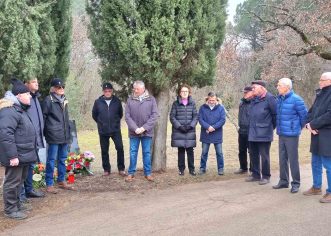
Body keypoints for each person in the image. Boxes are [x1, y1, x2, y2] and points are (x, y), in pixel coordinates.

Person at [0, 79, 37, 220]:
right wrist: (12, 156)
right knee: (12, 182)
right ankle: (10, 210)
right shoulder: (9, 111)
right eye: (27, 94)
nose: (30, 96)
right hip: (16, 155)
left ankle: (17, 205)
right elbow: (5, 134)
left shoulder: (19, 109)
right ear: (18, 95)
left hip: (24, 154)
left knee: (19, 181)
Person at [273, 78, 307, 193]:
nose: (277, 87)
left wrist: (296, 128)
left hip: (292, 135)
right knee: (282, 158)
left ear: (287, 87)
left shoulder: (297, 100)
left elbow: (304, 117)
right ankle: (283, 181)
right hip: (281, 133)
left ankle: (296, 183)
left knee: (293, 159)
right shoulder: (279, 99)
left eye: (279, 85)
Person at [42, 78, 73, 193]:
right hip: (53, 135)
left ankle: (61, 180)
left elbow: (66, 118)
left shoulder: (64, 99)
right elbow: (43, 118)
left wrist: (68, 131)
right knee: (51, 160)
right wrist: (46, 132)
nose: (61, 89)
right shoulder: (48, 100)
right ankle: (49, 183)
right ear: (53, 89)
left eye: (62, 87)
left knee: (63, 159)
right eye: (59, 87)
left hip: (64, 135)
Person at [303, 72, 331, 203]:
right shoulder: (320, 94)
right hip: (315, 133)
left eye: (323, 79)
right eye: (320, 79)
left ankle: (330, 192)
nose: (320, 81)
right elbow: (311, 111)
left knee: (328, 164)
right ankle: (316, 186)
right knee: (315, 162)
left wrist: (313, 124)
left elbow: (329, 115)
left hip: (327, 134)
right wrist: (308, 124)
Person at [125, 81, 159, 182]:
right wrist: (135, 128)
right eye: (134, 89)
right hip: (133, 132)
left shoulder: (151, 99)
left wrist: (143, 128)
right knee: (133, 153)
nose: (135, 90)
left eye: (137, 89)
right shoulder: (130, 100)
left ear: (143, 89)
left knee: (146, 152)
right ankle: (131, 173)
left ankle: (148, 173)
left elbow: (154, 115)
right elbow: (127, 116)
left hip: (146, 132)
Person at [19, 78, 45, 202]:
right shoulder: (23, 100)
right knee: (23, 167)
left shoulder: (35, 98)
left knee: (31, 165)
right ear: (26, 84)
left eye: (37, 81)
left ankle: (29, 190)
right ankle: (22, 193)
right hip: (27, 139)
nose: (37, 83)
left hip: (36, 138)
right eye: (34, 82)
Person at [246, 80, 277, 185]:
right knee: (253, 154)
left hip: (264, 132)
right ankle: (255, 174)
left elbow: (275, 116)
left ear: (262, 88)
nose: (252, 89)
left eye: (254, 87)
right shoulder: (254, 99)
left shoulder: (270, 98)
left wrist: (269, 127)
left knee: (264, 156)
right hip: (253, 132)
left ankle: (266, 176)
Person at [92, 82, 126, 177]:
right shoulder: (97, 102)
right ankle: (106, 169)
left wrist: (115, 123)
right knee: (104, 150)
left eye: (109, 91)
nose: (107, 92)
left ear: (112, 91)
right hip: (103, 131)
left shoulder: (117, 101)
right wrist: (101, 123)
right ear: (103, 91)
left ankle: (121, 169)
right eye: (105, 91)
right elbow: (94, 115)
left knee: (120, 148)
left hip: (115, 130)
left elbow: (120, 114)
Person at [170, 84, 198, 176]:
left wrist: (191, 126)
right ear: (179, 93)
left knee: (190, 151)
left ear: (189, 93)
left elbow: (195, 116)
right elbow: (172, 117)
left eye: (186, 91)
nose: (184, 93)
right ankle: (181, 169)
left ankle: (192, 169)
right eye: (182, 91)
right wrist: (179, 127)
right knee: (181, 150)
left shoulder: (193, 103)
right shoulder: (175, 104)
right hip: (179, 131)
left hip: (190, 130)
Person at [198, 92, 226, 175]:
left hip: (217, 134)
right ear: (208, 99)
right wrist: (207, 127)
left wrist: (213, 127)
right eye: (210, 100)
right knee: (204, 152)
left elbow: (222, 120)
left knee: (219, 153)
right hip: (205, 134)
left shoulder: (221, 108)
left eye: (213, 100)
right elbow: (200, 119)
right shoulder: (202, 108)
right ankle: (202, 168)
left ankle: (220, 168)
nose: (212, 102)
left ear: (216, 99)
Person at [235, 86, 254, 174]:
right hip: (241, 130)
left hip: (251, 131)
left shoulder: (254, 103)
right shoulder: (241, 102)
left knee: (252, 151)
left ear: (251, 92)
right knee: (241, 150)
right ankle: (243, 168)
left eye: (246, 92)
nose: (244, 94)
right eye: (244, 92)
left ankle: (253, 169)